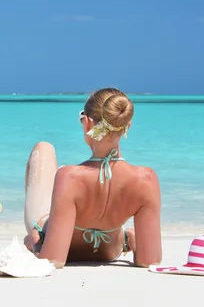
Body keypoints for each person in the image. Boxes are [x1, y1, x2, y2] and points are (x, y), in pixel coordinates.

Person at [23, 88, 162, 269]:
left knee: (43, 148)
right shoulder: (147, 179)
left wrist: (33, 244)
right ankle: (128, 239)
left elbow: (53, 261)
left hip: (64, 249)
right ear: (127, 126)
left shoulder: (69, 177)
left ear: (87, 123)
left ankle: (42, 232)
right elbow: (150, 261)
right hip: (110, 251)